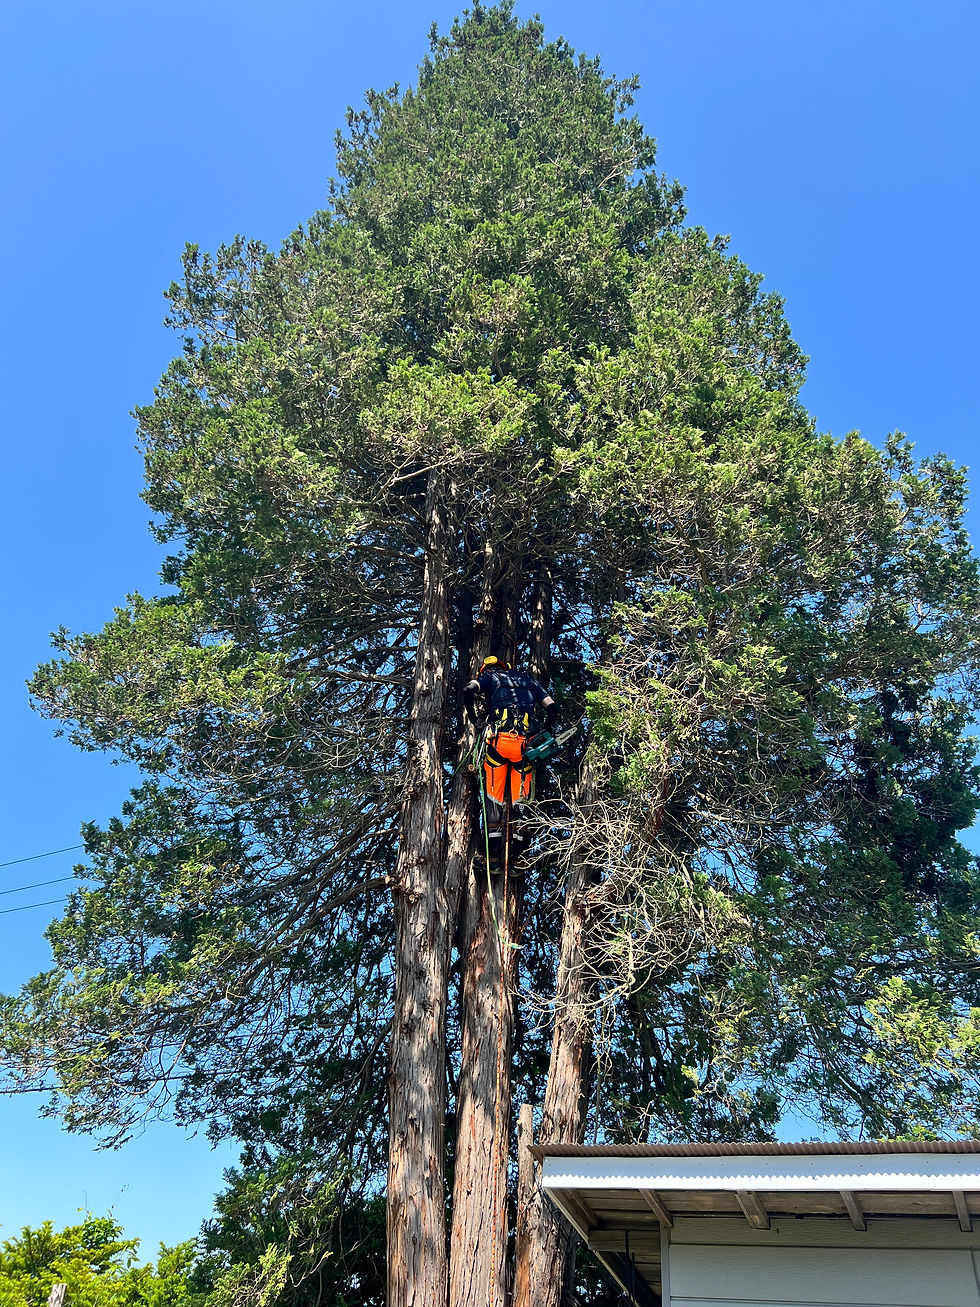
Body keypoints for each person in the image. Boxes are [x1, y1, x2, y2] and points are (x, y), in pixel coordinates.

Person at [462, 655, 557, 871]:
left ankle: (493, 859)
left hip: (499, 742)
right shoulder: (528, 680)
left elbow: (468, 689)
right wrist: (546, 731)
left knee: (493, 799)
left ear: (486, 669)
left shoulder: (490, 677)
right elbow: (552, 707)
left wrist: (474, 719)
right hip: (525, 747)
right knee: (520, 801)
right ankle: (518, 858)